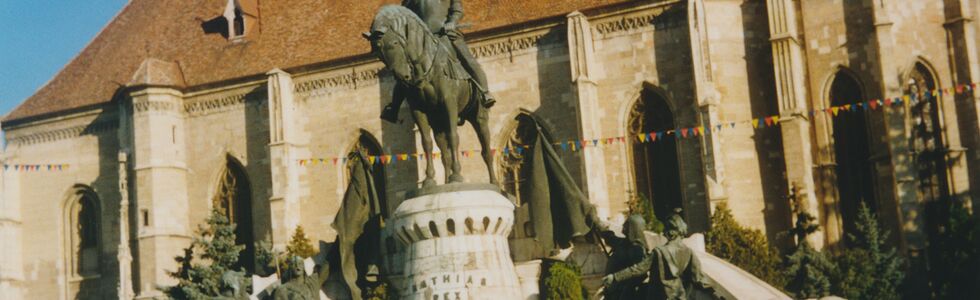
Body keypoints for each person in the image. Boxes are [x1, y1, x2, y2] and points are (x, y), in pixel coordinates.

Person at [381, 0, 495, 123]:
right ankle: (394, 107)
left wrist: (452, 22)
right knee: (403, 73)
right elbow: (403, 19)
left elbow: (457, 9)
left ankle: (485, 92)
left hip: (444, 34)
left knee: (468, 60)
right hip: (421, 42)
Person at [602, 210, 711, 299]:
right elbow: (699, 278)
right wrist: (712, 293)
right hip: (678, 296)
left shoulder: (659, 252)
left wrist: (615, 277)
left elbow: (638, 269)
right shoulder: (689, 252)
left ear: (668, 232)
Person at [602, 215, 650, 300]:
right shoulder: (623, 242)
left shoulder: (637, 249)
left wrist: (624, 287)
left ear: (633, 228)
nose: (623, 225)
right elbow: (610, 238)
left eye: (627, 224)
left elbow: (640, 273)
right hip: (613, 289)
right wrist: (600, 226)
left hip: (623, 292)